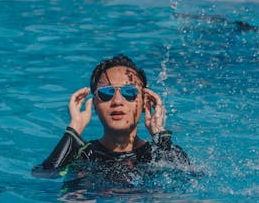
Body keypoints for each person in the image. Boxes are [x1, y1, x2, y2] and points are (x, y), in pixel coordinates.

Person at [32, 54, 189, 180]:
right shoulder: (84, 154)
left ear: (144, 103)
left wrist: (159, 134)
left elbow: (187, 175)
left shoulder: (155, 153)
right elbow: (45, 175)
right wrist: (74, 129)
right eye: (106, 93)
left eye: (129, 92)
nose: (117, 101)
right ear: (94, 104)